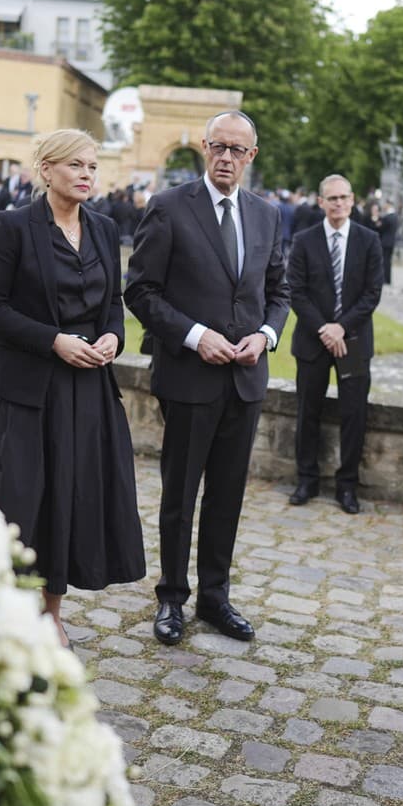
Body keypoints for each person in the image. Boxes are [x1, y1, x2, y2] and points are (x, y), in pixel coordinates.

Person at [124, 110, 290, 646]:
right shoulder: (169, 208)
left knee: (227, 494)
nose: (226, 157)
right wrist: (196, 336)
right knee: (181, 493)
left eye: (237, 150)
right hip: (190, 377)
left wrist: (265, 335)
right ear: (203, 147)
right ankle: (172, 596)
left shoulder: (266, 215)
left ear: (252, 157)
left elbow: (279, 291)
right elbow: (141, 292)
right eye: (218, 146)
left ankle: (216, 596)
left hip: (246, 380)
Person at [0, 129, 145, 647]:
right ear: (46, 170)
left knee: (70, 500)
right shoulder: (13, 227)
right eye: (75, 165)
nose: (87, 174)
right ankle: (3, 609)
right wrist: (54, 341)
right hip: (27, 392)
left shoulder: (103, 227)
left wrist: (113, 334)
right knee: (22, 502)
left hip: (86, 392)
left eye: (92, 166)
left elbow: (111, 302)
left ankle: (51, 612)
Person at [287, 174, 382, 514]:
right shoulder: (304, 240)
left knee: (354, 416)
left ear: (353, 200)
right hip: (313, 340)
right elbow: (295, 291)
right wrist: (325, 329)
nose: (338, 203)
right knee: (307, 412)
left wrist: (341, 328)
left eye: (344, 198)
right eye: (332, 198)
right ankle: (306, 480)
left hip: (353, 341)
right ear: (321, 202)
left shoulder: (369, 240)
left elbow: (373, 293)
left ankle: (347, 487)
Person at [368, 199, 398, 286]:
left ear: (388, 205)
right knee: (388, 262)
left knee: (385, 261)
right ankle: (387, 279)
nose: (384, 206)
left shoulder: (388, 217)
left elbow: (380, 227)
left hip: (385, 242)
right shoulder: (395, 216)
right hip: (391, 242)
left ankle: (385, 279)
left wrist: (375, 221)